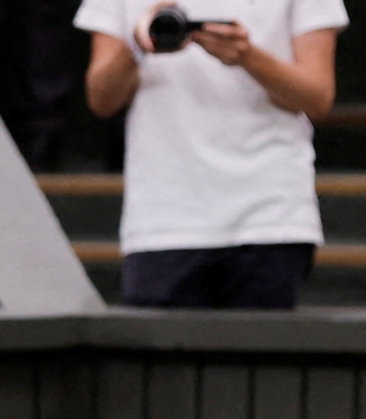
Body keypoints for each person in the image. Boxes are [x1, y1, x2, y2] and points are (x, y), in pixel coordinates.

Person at [74, 0, 349, 308]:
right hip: (163, 217)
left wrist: (247, 56)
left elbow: (317, 97)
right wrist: (139, 44)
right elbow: (101, 100)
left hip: (269, 213)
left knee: (261, 353)